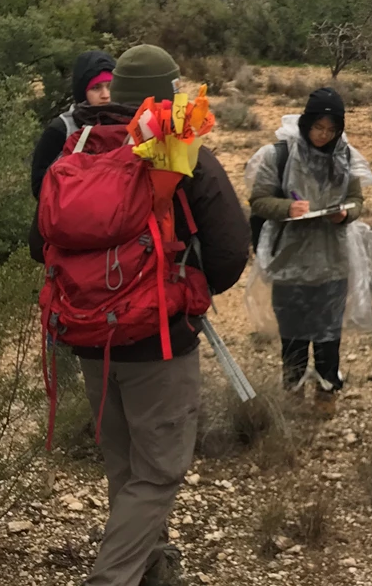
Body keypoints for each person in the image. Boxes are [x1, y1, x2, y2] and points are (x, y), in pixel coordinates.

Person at [30, 44, 250, 586]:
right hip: (160, 340)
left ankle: (154, 569)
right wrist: (187, 294)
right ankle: (112, 579)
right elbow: (229, 248)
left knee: (127, 468)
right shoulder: (174, 149)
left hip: (89, 337)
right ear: (165, 90)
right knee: (158, 472)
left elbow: (40, 243)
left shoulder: (74, 145)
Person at [249, 87, 365, 399]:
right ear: (305, 123)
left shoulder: (345, 156)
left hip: (332, 263)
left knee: (329, 335)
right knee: (293, 335)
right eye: (318, 127)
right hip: (290, 263)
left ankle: (327, 391)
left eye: (331, 129)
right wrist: (287, 208)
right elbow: (259, 200)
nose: (323, 135)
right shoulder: (280, 155)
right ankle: (293, 390)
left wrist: (346, 213)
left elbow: (357, 200)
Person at [30, 49, 115, 198]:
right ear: (82, 91)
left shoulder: (121, 124)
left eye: (110, 86)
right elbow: (39, 187)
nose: (105, 95)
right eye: (96, 88)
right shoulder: (61, 129)